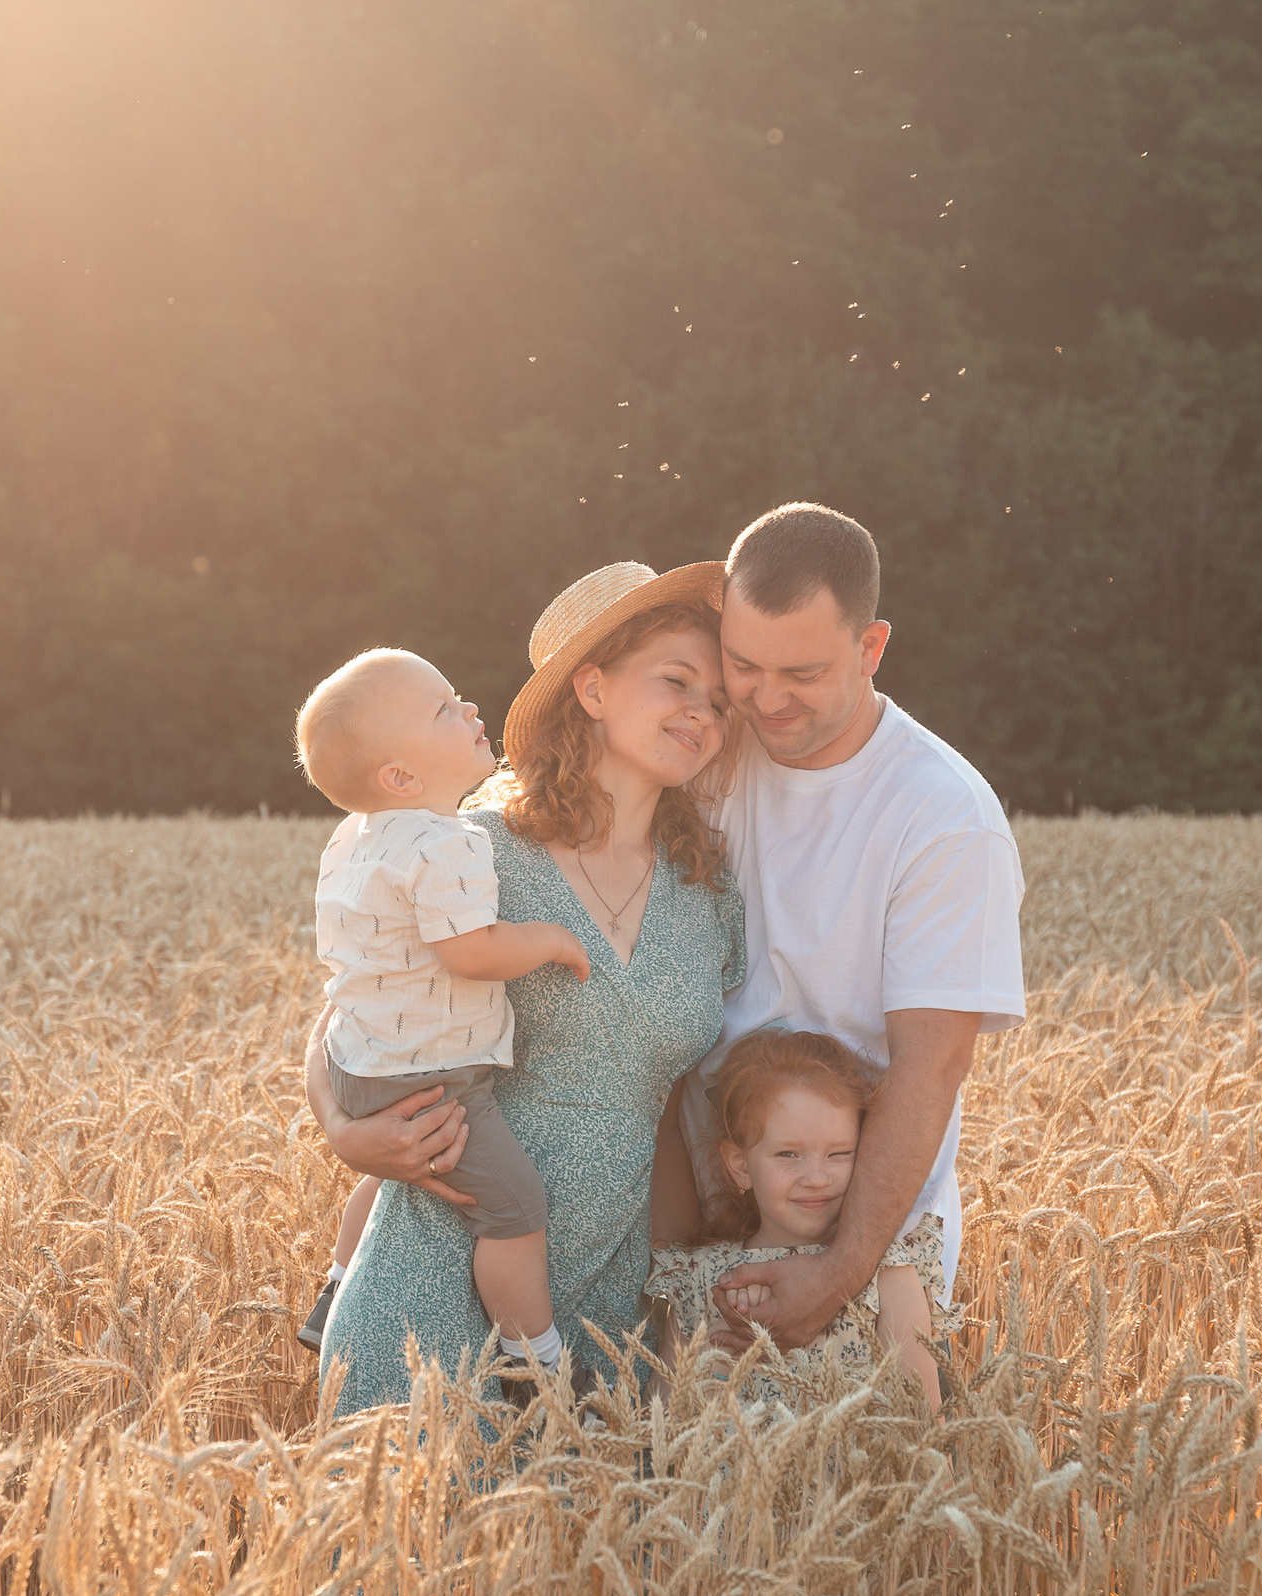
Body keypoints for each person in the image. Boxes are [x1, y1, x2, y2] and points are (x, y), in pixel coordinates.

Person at [304, 562, 745, 1415]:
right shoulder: (470, 849)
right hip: (430, 1276)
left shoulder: (708, 896)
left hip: (601, 1306)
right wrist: (344, 1133)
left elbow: (664, 1112)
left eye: (718, 701)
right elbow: (345, 1012)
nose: (702, 710)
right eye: (676, 681)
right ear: (592, 689)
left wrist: (674, 1292)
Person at [660, 502, 1026, 1374]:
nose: (765, 698)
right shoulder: (702, 752)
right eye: (742, 665)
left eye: (802, 672)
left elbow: (928, 1065)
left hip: (862, 1239)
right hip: (692, 1222)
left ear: (871, 650)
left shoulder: (942, 818)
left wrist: (837, 1270)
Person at [291, 649, 591, 1374]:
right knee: (513, 1207)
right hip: (433, 1076)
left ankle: (336, 1288)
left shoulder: (356, 835)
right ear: (401, 778)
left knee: (387, 1172)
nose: (470, 710)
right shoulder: (445, 842)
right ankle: (534, 1359)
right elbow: (474, 953)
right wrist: (547, 938)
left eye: (457, 695)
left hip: (358, 1060)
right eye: (444, 709)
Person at [646, 1028, 961, 1411]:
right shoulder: (697, 1280)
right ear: (741, 1166)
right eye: (788, 1155)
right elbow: (657, 1429)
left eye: (840, 1153)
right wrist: (715, 1366)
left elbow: (925, 1429)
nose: (816, 1178)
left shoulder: (888, 1275)